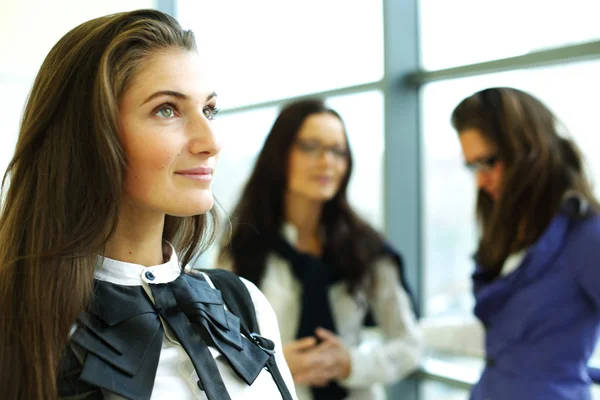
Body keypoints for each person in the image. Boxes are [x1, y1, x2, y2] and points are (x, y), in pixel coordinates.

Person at [0, 9, 296, 400]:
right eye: (167, 110)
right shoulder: (18, 323)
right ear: (89, 135)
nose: (211, 141)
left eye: (208, 110)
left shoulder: (244, 303)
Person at [219, 99, 422, 400]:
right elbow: (220, 343)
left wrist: (351, 363)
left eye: (338, 151)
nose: (327, 161)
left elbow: (410, 345)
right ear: (280, 153)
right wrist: (272, 363)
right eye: (311, 147)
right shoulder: (245, 241)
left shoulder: (365, 247)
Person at [450, 87, 600, 399]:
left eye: (488, 162)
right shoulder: (510, 234)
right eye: (472, 166)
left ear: (529, 150)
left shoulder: (587, 236)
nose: (480, 180)